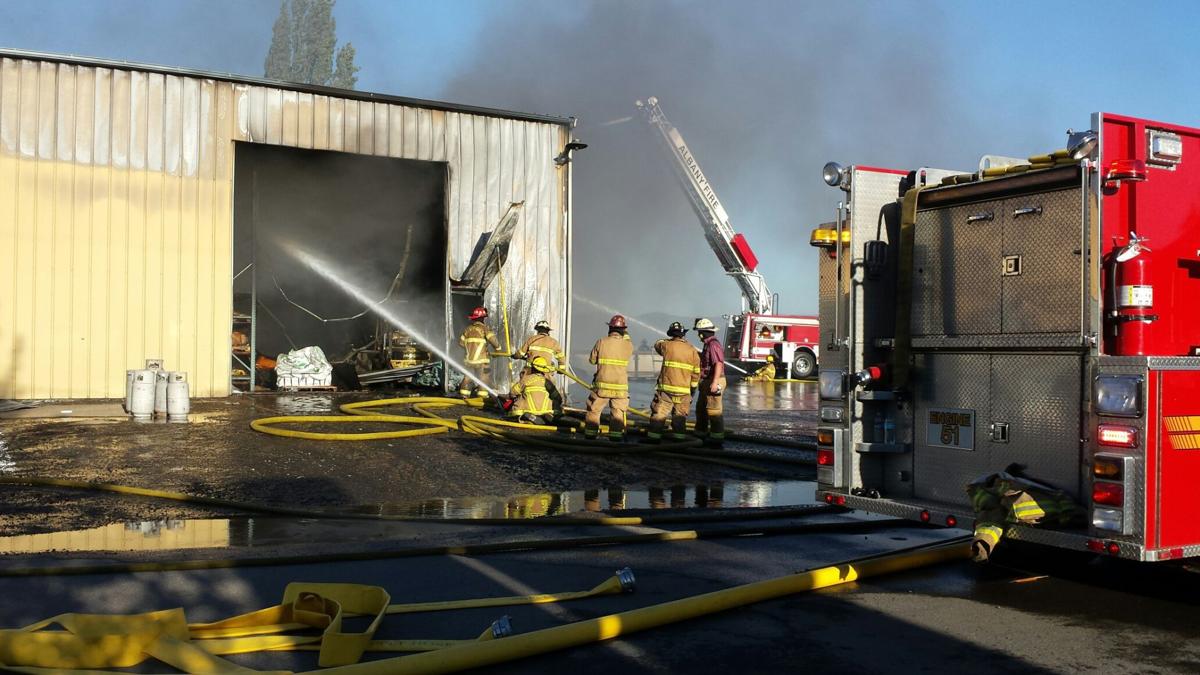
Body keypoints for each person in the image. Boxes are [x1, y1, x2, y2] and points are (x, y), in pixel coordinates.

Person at [646, 322, 701, 442]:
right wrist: (692, 391)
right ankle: (679, 442)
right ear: (683, 334)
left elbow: (657, 344)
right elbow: (696, 374)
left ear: (671, 334)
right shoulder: (692, 350)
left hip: (666, 390)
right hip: (684, 392)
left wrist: (669, 339)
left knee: (659, 415)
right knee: (680, 418)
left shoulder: (666, 345)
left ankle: (653, 440)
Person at [585, 315, 633, 441]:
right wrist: (625, 335)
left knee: (594, 410)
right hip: (620, 387)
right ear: (623, 330)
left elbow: (592, 360)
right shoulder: (628, 345)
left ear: (610, 328)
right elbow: (627, 341)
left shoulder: (601, 342)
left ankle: (590, 436)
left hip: (602, 386)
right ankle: (615, 438)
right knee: (618, 413)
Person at [693, 317, 727, 447]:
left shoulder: (713, 344)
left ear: (703, 333)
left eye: (699, 332)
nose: (698, 335)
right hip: (707, 380)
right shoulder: (707, 344)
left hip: (714, 380)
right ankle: (700, 433)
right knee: (701, 409)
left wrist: (715, 382)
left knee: (714, 411)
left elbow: (718, 363)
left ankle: (716, 438)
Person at [457, 306, 501, 398]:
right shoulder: (484, 329)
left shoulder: (467, 329)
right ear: (483, 318)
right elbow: (494, 341)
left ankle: (464, 396)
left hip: (469, 360)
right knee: (484, 378)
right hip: (482, 360)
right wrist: (498, 349)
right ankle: (481, 398)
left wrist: (470, 349)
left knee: (467, 377)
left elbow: (461, 343)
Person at [507, 356, 561, 425]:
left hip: (526, 410)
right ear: (544, 370)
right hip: (545, 411)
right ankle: (547, 417)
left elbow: (512, 393)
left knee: (514, 411)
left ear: (532, 368)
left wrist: (519, 396)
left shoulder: (526, 379)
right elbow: (558, 398)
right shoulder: (547, 382)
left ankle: (528, 417)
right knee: (556, 407)